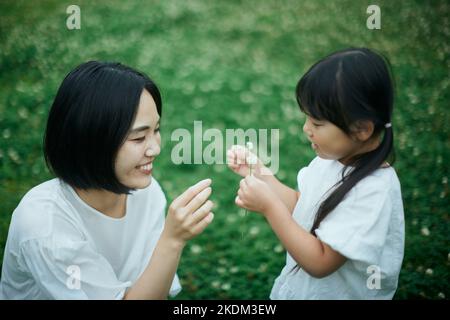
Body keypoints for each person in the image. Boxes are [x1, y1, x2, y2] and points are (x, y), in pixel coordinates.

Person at [0, 61, 214, 299]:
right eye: (138, 138)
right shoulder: (46, 228)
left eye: (156, 130)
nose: (155, 148)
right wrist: (172, 240)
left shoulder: (146, 192)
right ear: (92, 141)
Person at [227, 48, 405, 299]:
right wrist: (261, 174)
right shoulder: (332, 161)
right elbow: (306, 208)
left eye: (317, 123)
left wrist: (269, 207)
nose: (306, 129)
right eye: (307, 119)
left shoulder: (372, 191)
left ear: (362, 129)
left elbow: (320, 262)